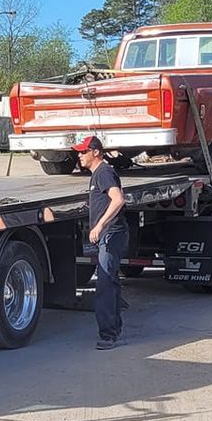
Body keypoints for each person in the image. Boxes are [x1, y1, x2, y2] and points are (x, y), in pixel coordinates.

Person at [77, 134, 128, 348]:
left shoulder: (104, 172)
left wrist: (99, 225)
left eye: (83, 151)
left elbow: (118, 199)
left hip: (111, 233)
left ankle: (108, 335)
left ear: (95, 152)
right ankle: (114, 327)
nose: (79, 155)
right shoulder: (97, 173)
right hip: (109, 233)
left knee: (105, 282)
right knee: (110, 280)